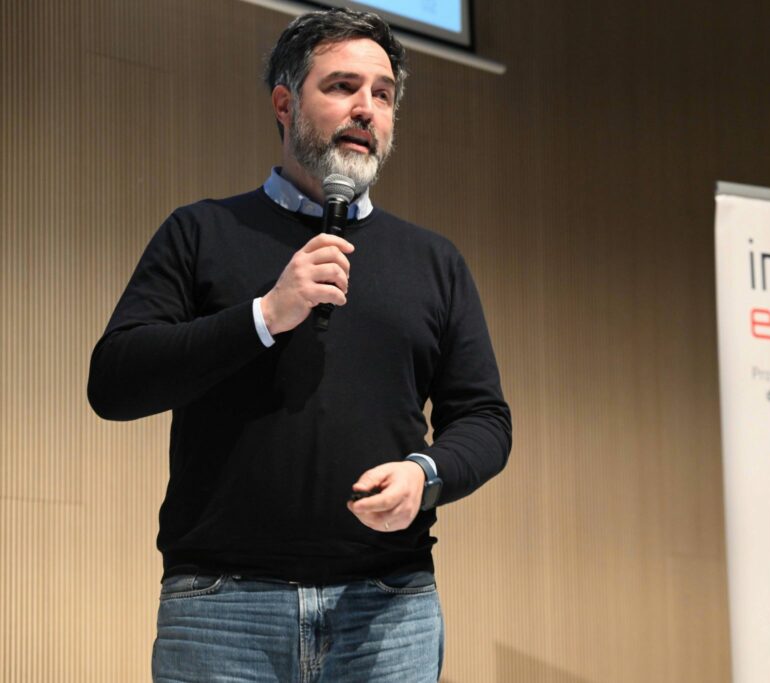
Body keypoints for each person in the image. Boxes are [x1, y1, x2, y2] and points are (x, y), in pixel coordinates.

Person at [87, 8, 511, 682]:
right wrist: (264, 314)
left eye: (383, 94)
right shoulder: (201, 232)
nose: (366, 108)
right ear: (285, 104)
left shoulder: (433, 261)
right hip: (223, 609)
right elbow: (115, 382)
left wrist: (425, 475)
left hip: (388, 608)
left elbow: (485, 419)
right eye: (342, 86)